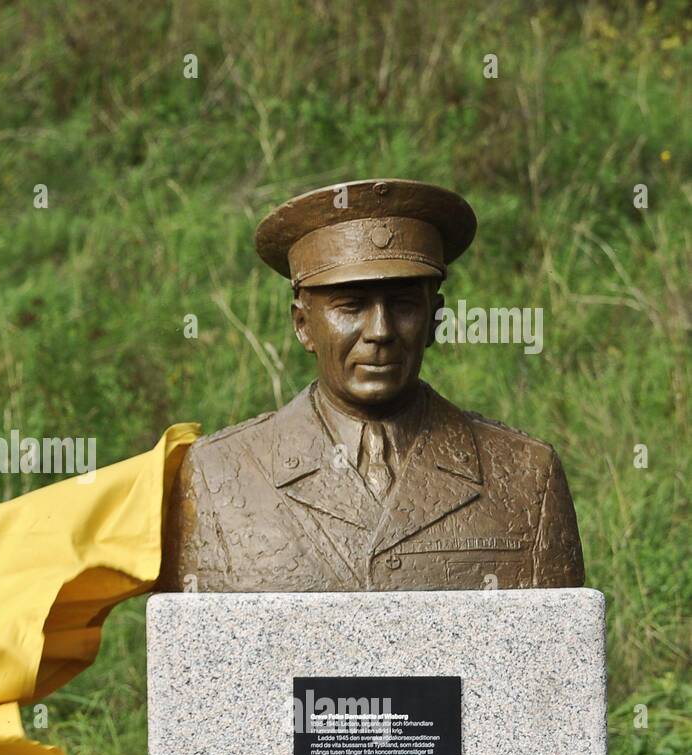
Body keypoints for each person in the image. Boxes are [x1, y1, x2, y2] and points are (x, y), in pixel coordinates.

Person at [160, 178, 585, 592]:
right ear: (303, 325)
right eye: (352, 306)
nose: (380, 331)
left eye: (403, 305)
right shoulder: (219, 475)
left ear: (434, 319)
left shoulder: (528, 476)